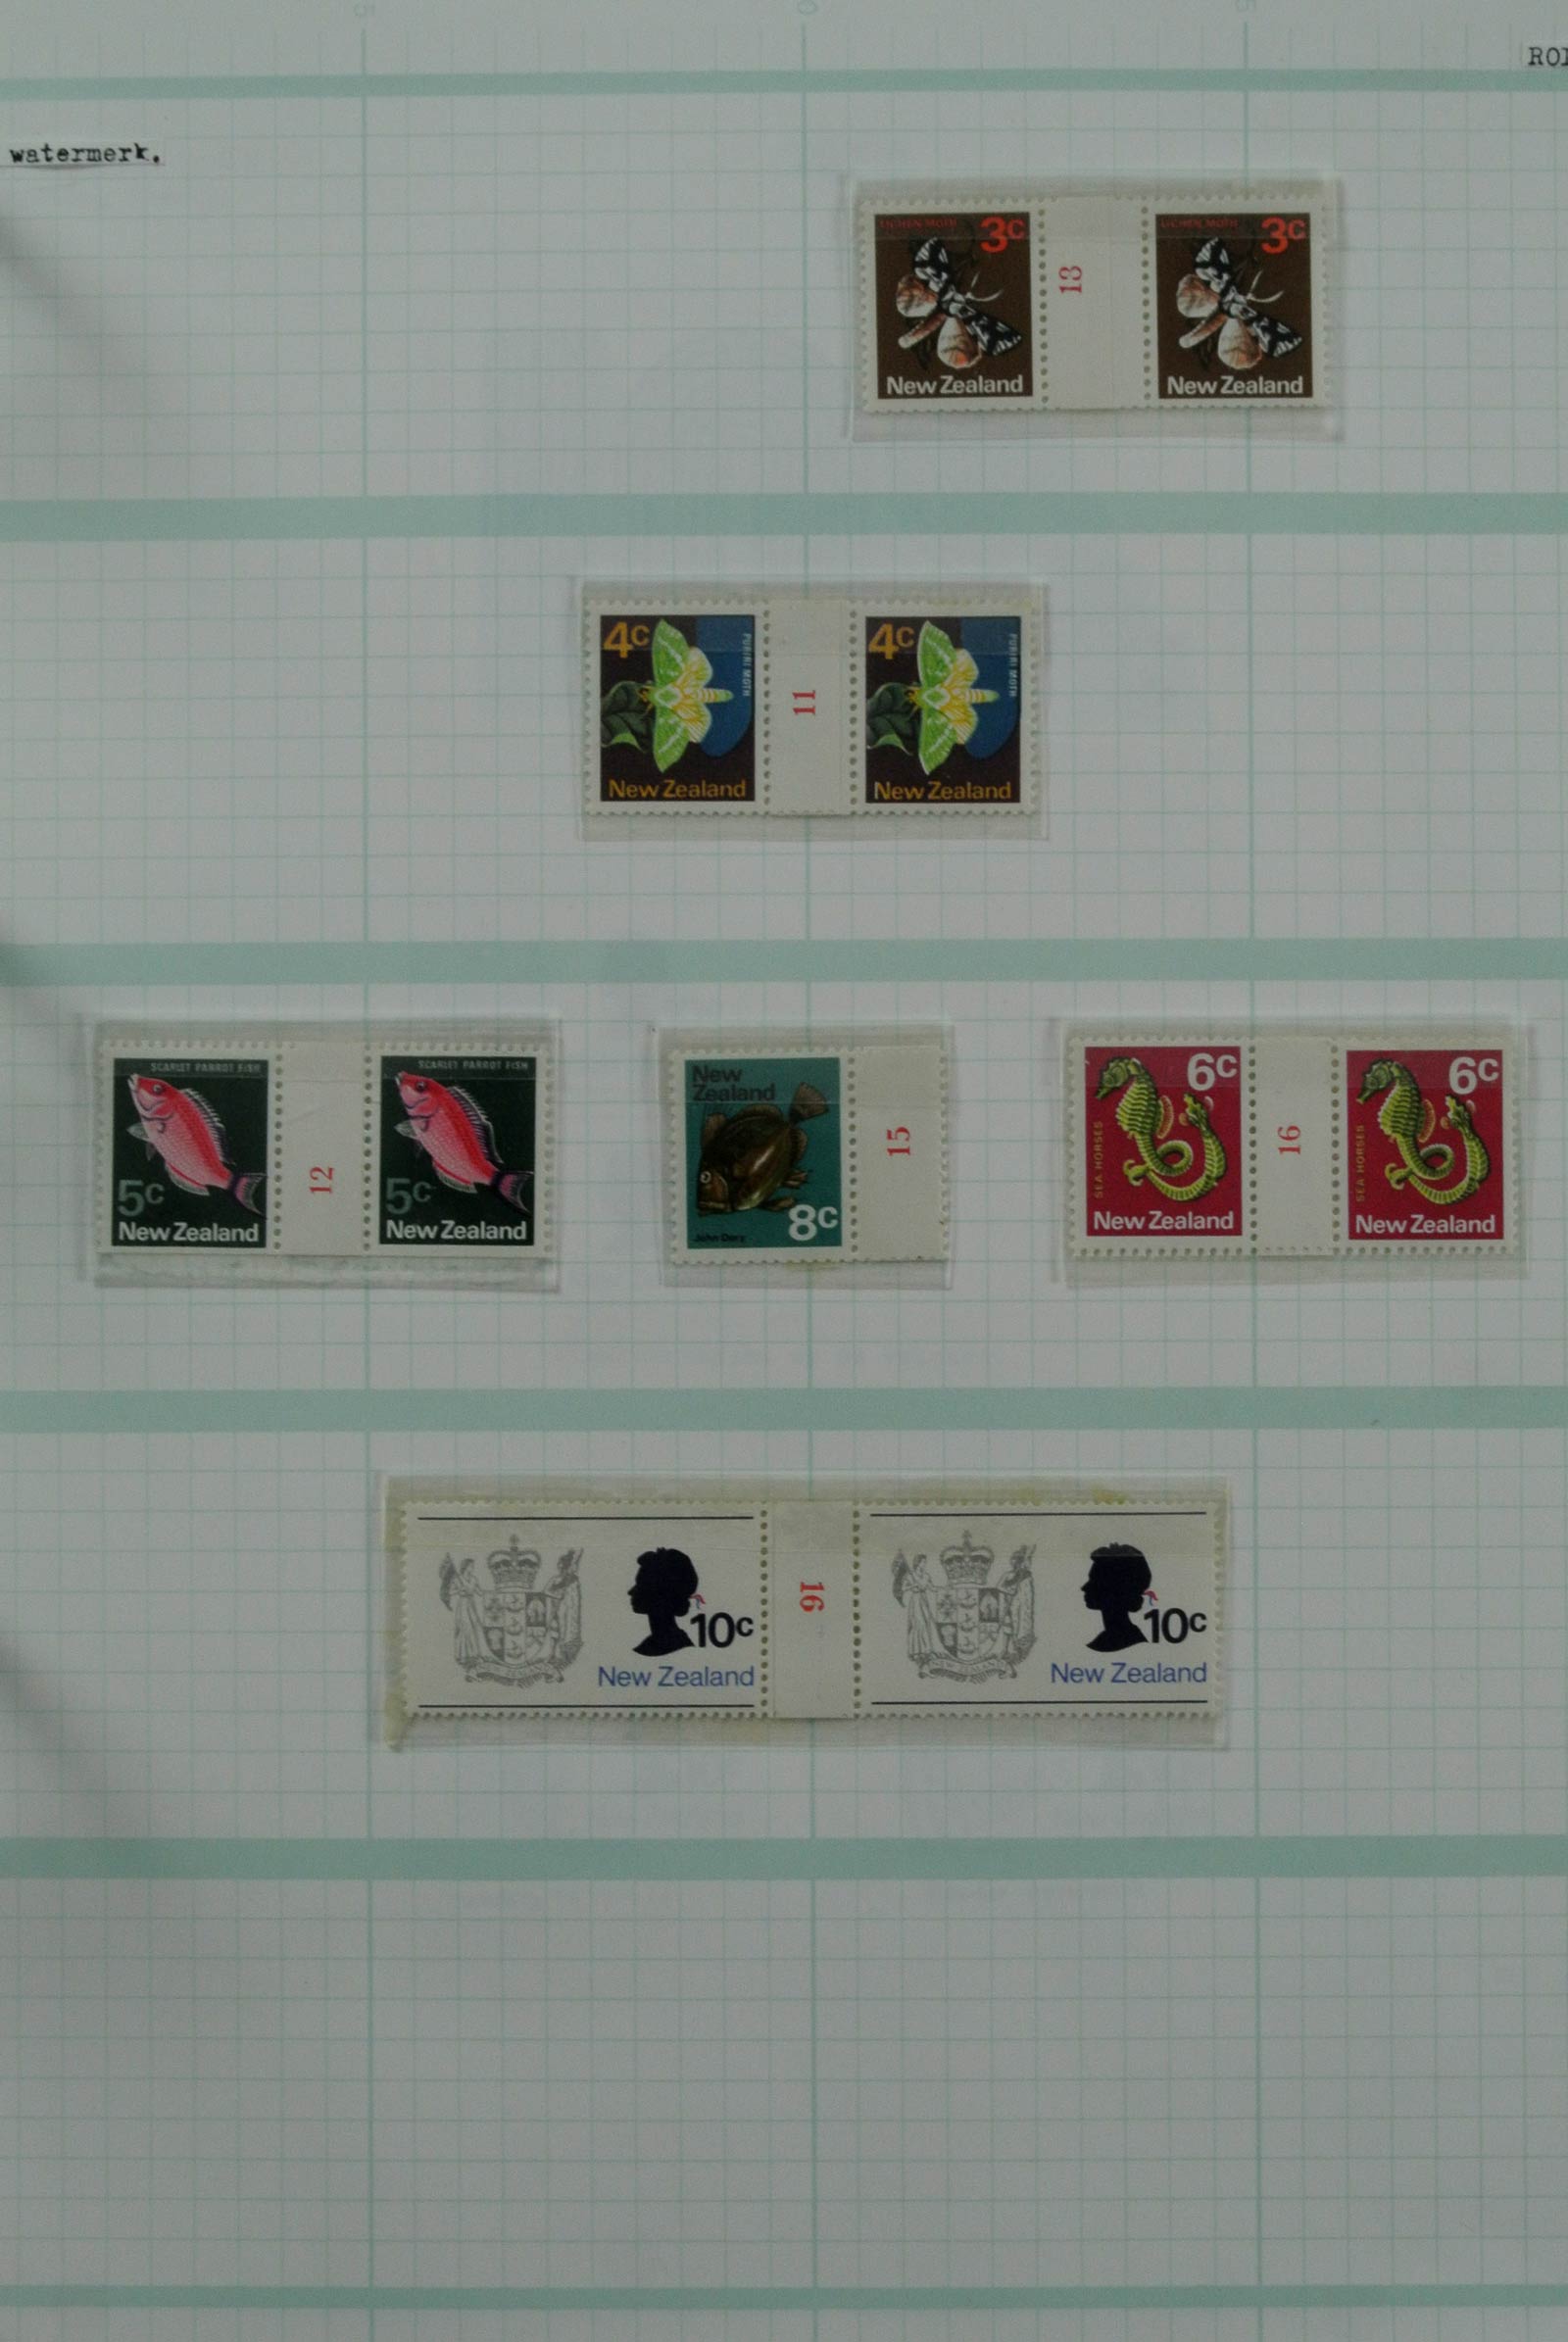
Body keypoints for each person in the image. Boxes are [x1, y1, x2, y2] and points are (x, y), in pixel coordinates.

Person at [1081, 1542, 1152, 1653]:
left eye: (1095, 1581)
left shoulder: (1127, 1642)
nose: (1084, 1588)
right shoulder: (1108, 1640)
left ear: (1116, 1588)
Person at [627, 1546, 699, 1657]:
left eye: (641, 1584)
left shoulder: (673, 1646)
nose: (630, 1592)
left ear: (659, 1593)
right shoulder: (654, 1644)